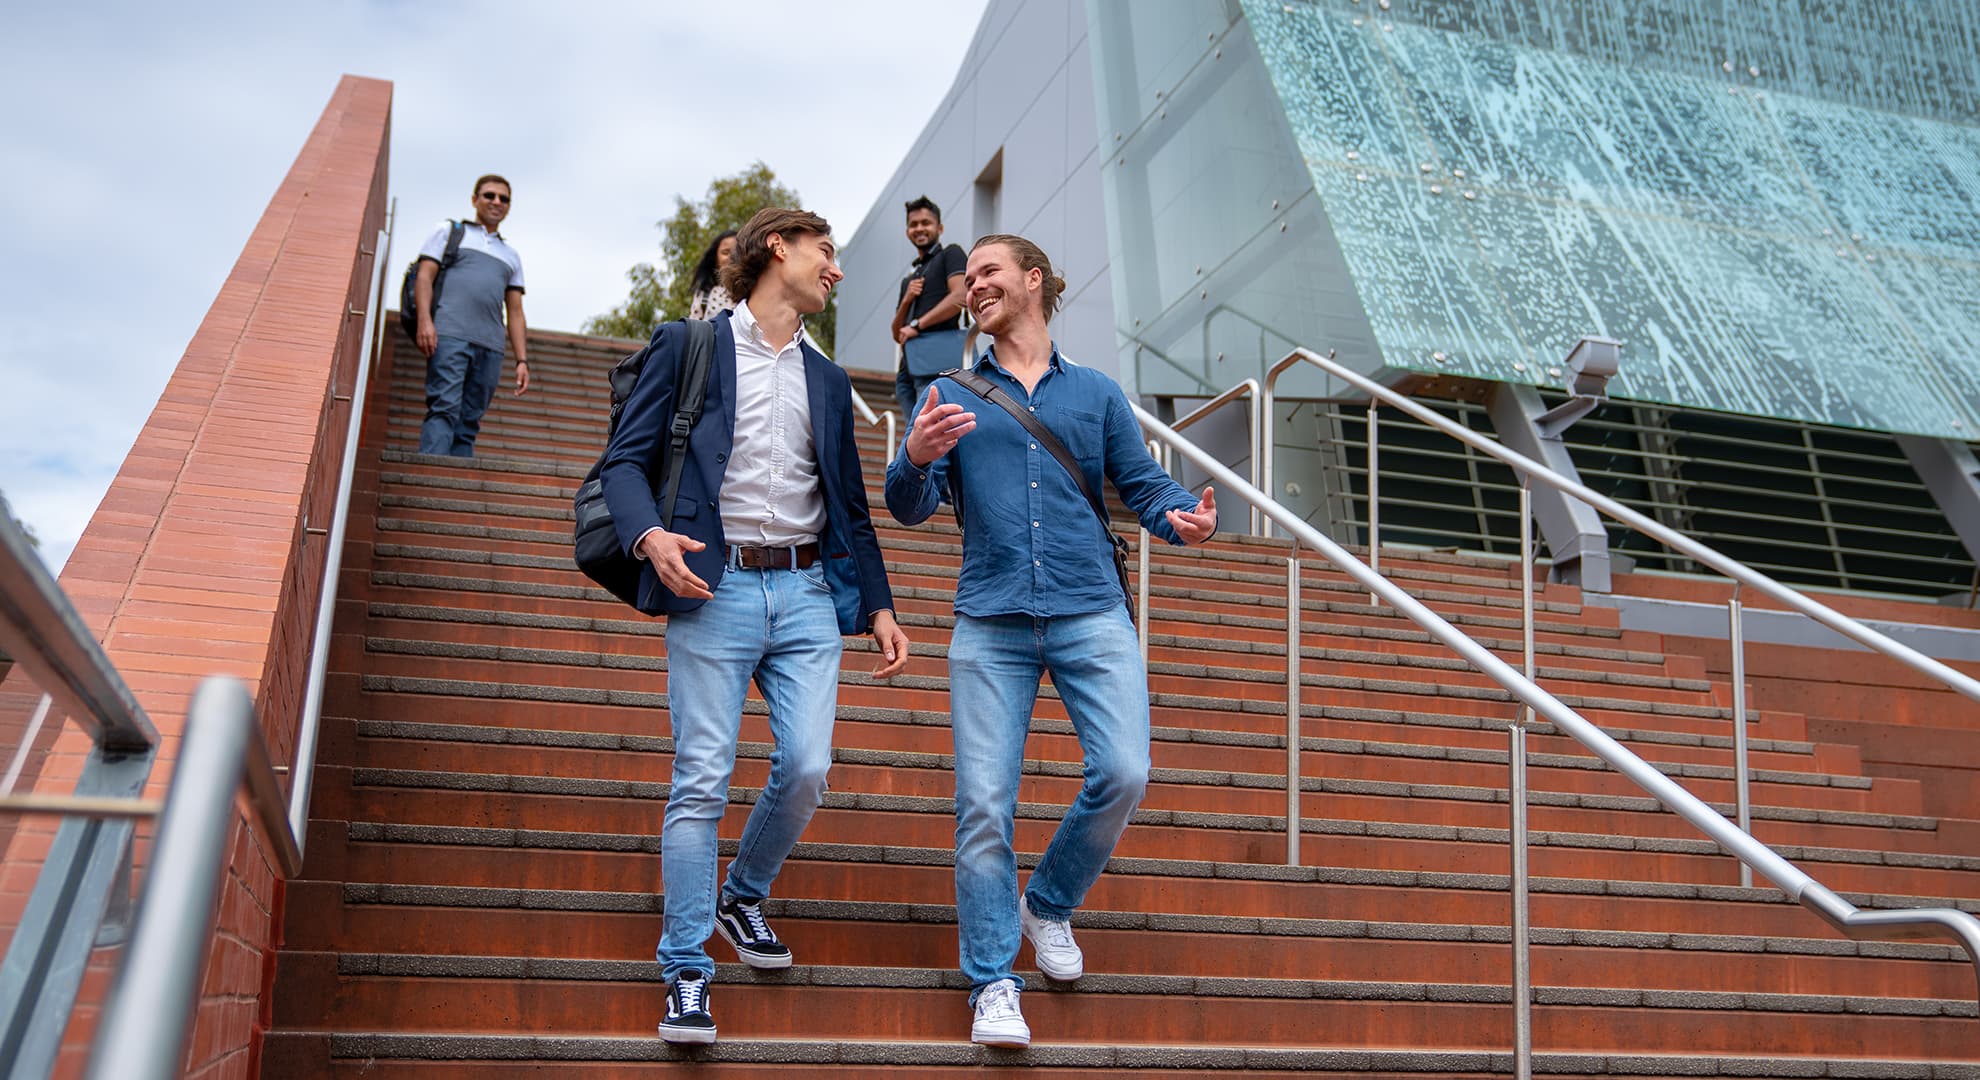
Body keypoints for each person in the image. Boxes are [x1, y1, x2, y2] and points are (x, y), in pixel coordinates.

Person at [884, 234, 1218, 1047]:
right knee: (985, 809)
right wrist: (916, 456)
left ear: (1033, 281)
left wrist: (1183, 518)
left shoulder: (1097, 393)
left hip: (1090, 609)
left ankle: (1051, 903)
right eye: (968, 281)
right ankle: (994, 980)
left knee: (1125, 771)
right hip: (990, 621)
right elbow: (907, 503)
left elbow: (1140, 484)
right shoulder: (947, 389)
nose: (973, 287)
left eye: (988, 273)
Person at [599, 207, 912, 1046]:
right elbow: (622, 463)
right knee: (702, 777)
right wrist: (648, 534)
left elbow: (849, 504)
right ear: (781, 248)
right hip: (716, 584)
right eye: (826, 252)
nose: (836, 270)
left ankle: (743, 893)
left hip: (808, 591)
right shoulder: (689, 346)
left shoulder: (828, 379)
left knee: (808, 766)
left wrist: (877, 603)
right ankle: (688, 972)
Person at [412, 174, 530, 456]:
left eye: (504, 198)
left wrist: (521, 359)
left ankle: (454, 484)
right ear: (474, 199)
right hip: (450, 335)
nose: (496, 202)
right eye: (489, 195)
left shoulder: (511, 255)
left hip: (491, 345)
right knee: (444, 407)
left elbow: (515, 311)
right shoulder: (450, 232)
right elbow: (424, 277)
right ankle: (431, 478)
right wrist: (424, 322)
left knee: (469, 421)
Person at [889, 196, 967, 417]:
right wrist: (907, 300)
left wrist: (917, 325)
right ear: (907, 231)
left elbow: (960, 296)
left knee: (933, 431)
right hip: (908, 370)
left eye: (926, 223)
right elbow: (897, 333)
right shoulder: (909, 280)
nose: (919, 228)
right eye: (913, 224)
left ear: (939, 228)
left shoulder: (950, 254)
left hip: (937, 364)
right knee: (914, 434)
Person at [686, 229, 737, 320]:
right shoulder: (705, 294)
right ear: (715, 258)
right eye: (725, 252)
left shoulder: (754, 291)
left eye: (737, 252)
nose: (732, 257)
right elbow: (695, 329)